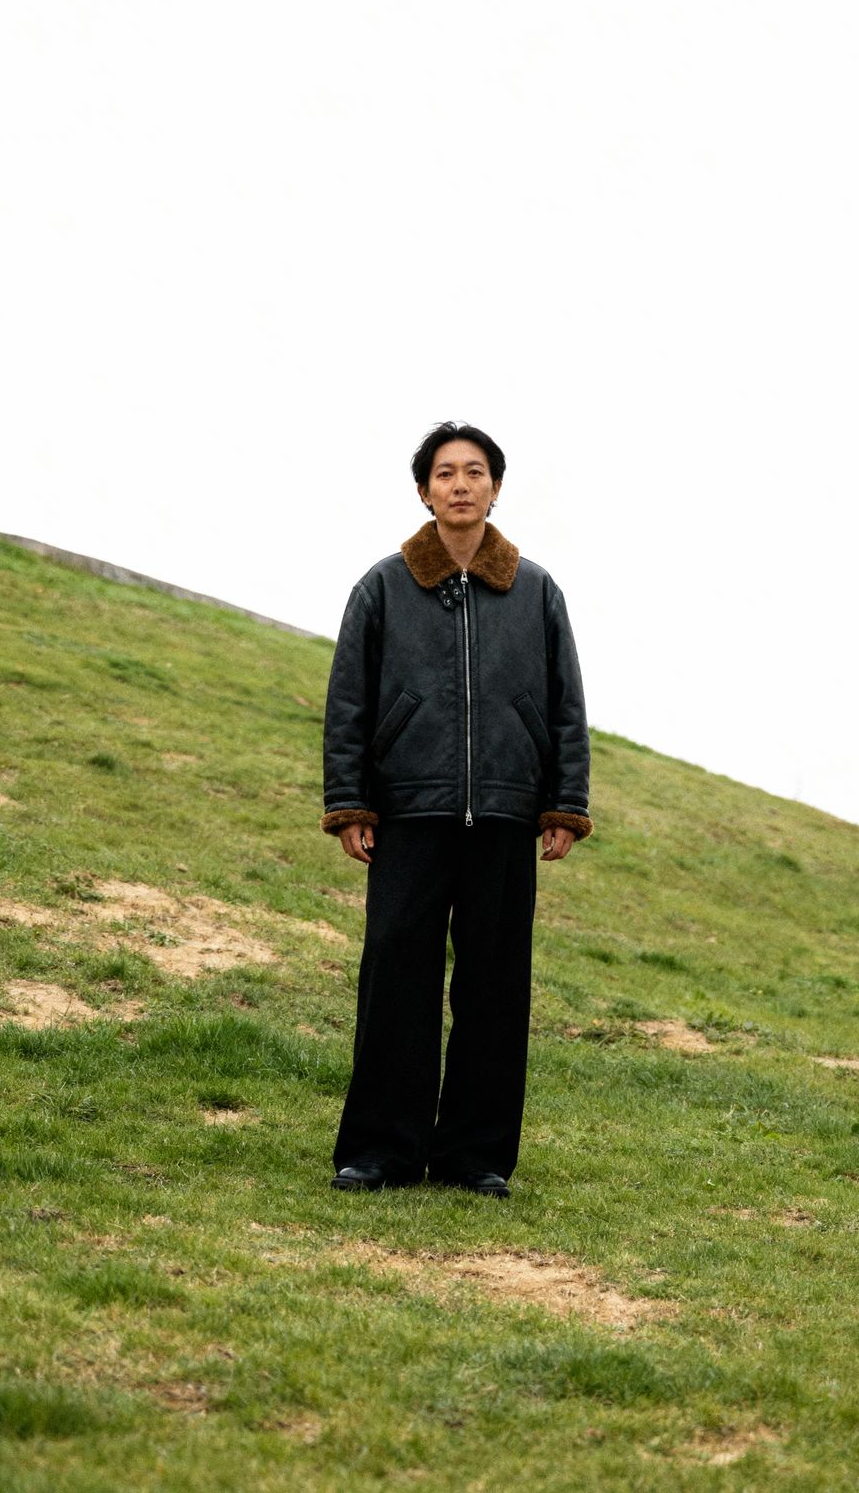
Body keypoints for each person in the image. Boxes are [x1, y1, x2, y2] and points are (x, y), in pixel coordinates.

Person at [320, 421, 593, 1198]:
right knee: (395, 983)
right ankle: (381, 1151)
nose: (460, 485)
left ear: (495, 488)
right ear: (423, 492)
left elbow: (565, 704)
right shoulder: (382, 586)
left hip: (505, 816)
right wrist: (350, 802)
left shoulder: (536, 591)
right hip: (407, 815)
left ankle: (475, 1156)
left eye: (475, 472)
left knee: (494, 989)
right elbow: (348, 702)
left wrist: (563, 804)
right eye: (445, 473)